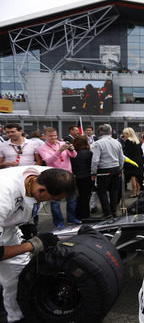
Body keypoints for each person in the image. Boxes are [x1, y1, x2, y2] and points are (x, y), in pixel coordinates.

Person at [0, 166, 75, 322]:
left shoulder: (46, 175)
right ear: (41, 190)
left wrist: (28, 227)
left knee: (18, 278)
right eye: (50, 199)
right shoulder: (3, 195)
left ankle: (16, 318)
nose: (50, 202)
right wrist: (32, 245)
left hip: (7, 227)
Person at [37, 127, 80, 228]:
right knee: (55, 201)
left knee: (72, 198)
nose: (53, 138)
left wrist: (72, 150)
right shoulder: (42, 148)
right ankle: (58, 222)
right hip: (54, 177)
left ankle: (72, 218)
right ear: (45, 136)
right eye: (50, 136)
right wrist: (59, 151)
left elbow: (74, 156)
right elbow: (49, 160)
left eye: (55, 135)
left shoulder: (62, 143)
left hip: (68, 174)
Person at [91, 124, 124, 218]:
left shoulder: (98, 143)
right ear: (110, 132)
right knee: (114, 192)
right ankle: (114, 212)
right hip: (116, 169)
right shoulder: (117, 142)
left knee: (102, 192)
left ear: (100, 132)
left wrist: (93, 172)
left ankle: (107, 214)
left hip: (103, 170)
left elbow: (95, 160)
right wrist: (120, 169)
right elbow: (121, 158)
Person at [70, 136, 93, 220]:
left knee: (75, 198)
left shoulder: (72, 153)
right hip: (86, 177)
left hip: (74, 176)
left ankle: (77, 215)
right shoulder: (89, 153)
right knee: (86, 197)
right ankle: (85, 215)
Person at [123, 127, 144, 198]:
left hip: (132, 162)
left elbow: (128, 153)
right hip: (139, 161)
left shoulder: (128, 141)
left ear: (128, 134)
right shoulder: (137, 141)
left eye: (125, 133)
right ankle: (138, 191)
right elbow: (141, 152)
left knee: (133, 177)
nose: (124, 135)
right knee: (138, 177)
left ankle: (134, 192)